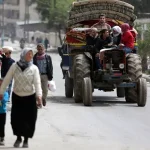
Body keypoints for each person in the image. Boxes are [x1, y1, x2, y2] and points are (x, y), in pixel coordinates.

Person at [0, 48, 42, 148]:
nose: (30, 56)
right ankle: (18, 138)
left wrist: (39, 96)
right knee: (16, 119)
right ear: (23, 55)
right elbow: (7, 80)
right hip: (17, 97)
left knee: (29, 120)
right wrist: (1, 92)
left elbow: (37, 83)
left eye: (31, 54)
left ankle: (26, 140)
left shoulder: (34, 68)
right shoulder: (14, 66)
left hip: (30, 98)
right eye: (29, 54)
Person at [0, 78, 9, 146]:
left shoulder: (5, 93)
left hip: (2, 112)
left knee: (2, 125)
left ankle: (2, 138)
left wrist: (1, 97)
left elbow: (4, 100)